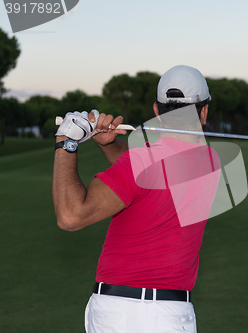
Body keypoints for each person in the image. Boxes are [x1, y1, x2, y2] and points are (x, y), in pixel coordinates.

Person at [52, 65, 220, 333]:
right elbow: (149, 178)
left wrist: (66, 142)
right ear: (204, 111)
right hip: (174, 316)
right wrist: (109, 144)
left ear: (157, 111)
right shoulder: (210, 162)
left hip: (121, 314)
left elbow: (71, 216)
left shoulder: (141, 162)